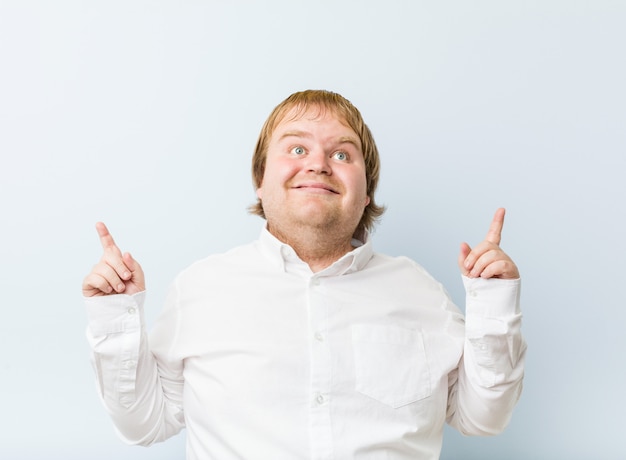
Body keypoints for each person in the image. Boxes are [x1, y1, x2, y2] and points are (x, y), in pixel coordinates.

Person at [83, 90, 526, 460]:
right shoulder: (200, 288)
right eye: (297, 148)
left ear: (366, 190)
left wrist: (492, 307)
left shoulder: (420, 291)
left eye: (341, 153)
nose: (318, 164)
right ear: (260, 178)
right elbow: (145, 423)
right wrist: (115, 318)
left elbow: (483, 418)